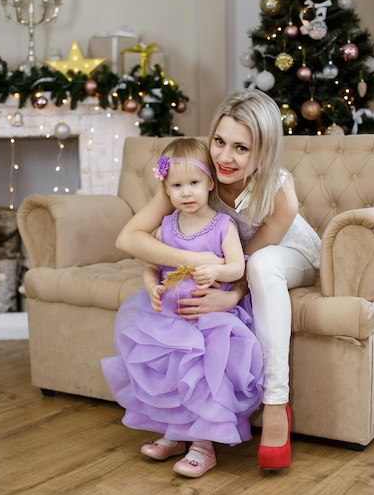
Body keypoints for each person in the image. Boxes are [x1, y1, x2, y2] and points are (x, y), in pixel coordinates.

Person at [116, 89, 321, 471]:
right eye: (219, 141)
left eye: (241, 148)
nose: (225, 157)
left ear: (263, 152)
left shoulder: (280, 193)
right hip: (233, 261)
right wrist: (193, 260)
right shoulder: (196, 177)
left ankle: (277, 403)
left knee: (262, 264)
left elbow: (251, 259)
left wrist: (231, 297)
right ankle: (179, 427)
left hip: (293, 256)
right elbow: (128, 238)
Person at [102, 137, 264, 478]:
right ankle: (176, 435)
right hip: (170, 319)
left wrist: (217, 270)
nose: (186, 193)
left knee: (204, 380)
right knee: (173, 379)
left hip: (210, 320)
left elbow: (238, 267)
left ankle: (203, 445)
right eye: (176, 186)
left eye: (193, 183)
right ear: (166, 189)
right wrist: (151, 286)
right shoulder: (166, 227)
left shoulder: (222, 225)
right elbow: (150, 264)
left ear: (209, 182)